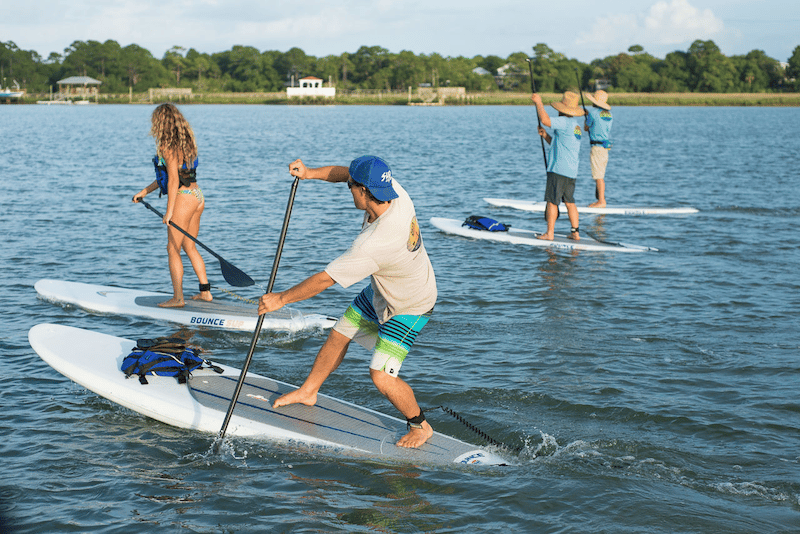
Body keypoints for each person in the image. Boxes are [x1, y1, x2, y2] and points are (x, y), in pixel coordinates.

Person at [258, 155, 438, 449]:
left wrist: (280, 299)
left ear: (364, 192)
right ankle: (309, 391)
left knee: (380, 376)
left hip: (410, 305)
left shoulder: (374, 244)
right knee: (339, 334)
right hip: (383, 291)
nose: (347, 189)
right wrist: (309, 173)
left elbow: (324, 280)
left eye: (350, 187)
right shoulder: (394, 191)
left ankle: (420, 425)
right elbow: (348, 174)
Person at [132, 103, 212, 308]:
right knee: (189, 245)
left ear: (160, 123)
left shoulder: (166, 147)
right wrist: (144, 191)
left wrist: (169, 212)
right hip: (197, 195)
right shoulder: (187, 144)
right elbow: (169, 178)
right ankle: (205, 292)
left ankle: (178, 298)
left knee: (172, 248)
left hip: (183, 198)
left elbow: (174, 181)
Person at [531, 91, 584, 240]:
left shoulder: (564, 122)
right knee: (570, 202)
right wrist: (546, 136)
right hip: (571, 171)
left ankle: (550, 233)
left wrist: (538, 102)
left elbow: (546, 121)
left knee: (552, 201)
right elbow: (560, 144)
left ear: (562, 109)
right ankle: (575, 232)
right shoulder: (576, 126)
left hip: (558, 169)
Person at [584, 90, 613, 208]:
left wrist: (586, 116)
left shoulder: (593, 113)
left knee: (598, 176)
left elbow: (586, 128)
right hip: (605, 148)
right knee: (600, 174)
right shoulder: (609, 115)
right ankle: (600, 199)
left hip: (596, 147)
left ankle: (601, 201)